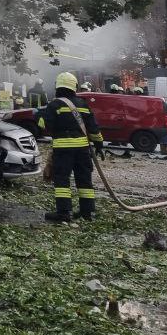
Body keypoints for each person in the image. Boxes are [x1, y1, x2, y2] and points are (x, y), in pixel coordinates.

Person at [34, 71, 104, 223]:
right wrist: (99, 145)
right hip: (83, 150)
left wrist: (37, 116)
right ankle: (87, 213)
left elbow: (45, 125)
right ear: (74, 87)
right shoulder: (83, 104)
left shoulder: (54, 105)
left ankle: (64, 213)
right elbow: (93, 128)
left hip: (63, 150)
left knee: (62, 181)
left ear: (58, 87)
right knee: (84, 180)